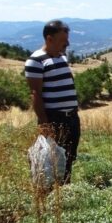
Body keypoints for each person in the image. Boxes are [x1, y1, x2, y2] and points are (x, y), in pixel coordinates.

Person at [24, 20, 80, 184]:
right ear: (49, 39)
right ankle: (51, 194)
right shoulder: (35, 61)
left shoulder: (62, 57)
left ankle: (65, 190)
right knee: (52, 159)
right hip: (55, 119)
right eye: (63, 41)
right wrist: (44, 124)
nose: (67, 44)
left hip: (72, 118)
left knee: (69, 157)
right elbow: (36, 95)